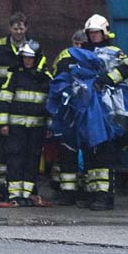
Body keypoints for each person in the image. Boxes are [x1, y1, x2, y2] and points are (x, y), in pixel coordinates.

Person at [52, 14, 128, 210]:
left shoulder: (114, 52)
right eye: (91, 33)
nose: (94, 36)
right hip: (84, 110)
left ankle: (104, 197)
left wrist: (106, 79)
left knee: (104, 154)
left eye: (97, 32)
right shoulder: (80, 51)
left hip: (106, 113)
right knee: (89, 153)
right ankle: (91, 195)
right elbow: (65, 68)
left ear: (105, 32)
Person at [0, 12, 44, 202]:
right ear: (9, 28)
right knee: (5, 150)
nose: (19, 31)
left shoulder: (33, 48)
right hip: (4, 104)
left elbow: (42, 74)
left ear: (26, 28)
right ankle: (1, 187)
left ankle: (28, 190)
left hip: (28, 108)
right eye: (15, 28)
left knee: (28, 152)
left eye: (22, 28)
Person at [0, 42, 54, 207]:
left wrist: (49, 126)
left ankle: (27, 195)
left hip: (37, 128)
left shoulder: (46, 79)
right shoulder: (14, 76)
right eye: (25, 58)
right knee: (15, 159)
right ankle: (14, 196)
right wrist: (3, 124)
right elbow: (4, 101)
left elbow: (52, 105)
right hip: (16, 127)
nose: (27, 61)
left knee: (32, 160)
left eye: (30, 58)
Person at [49, 29, 87, 205]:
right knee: (66, 151)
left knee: (84, 151)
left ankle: (80, 189)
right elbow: (58, 79)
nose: (79, 47)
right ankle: (65, 190)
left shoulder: (91, 55)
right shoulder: (65, 56)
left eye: (82, 44)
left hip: (85, 109)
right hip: (68, 109)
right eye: (77, 43)